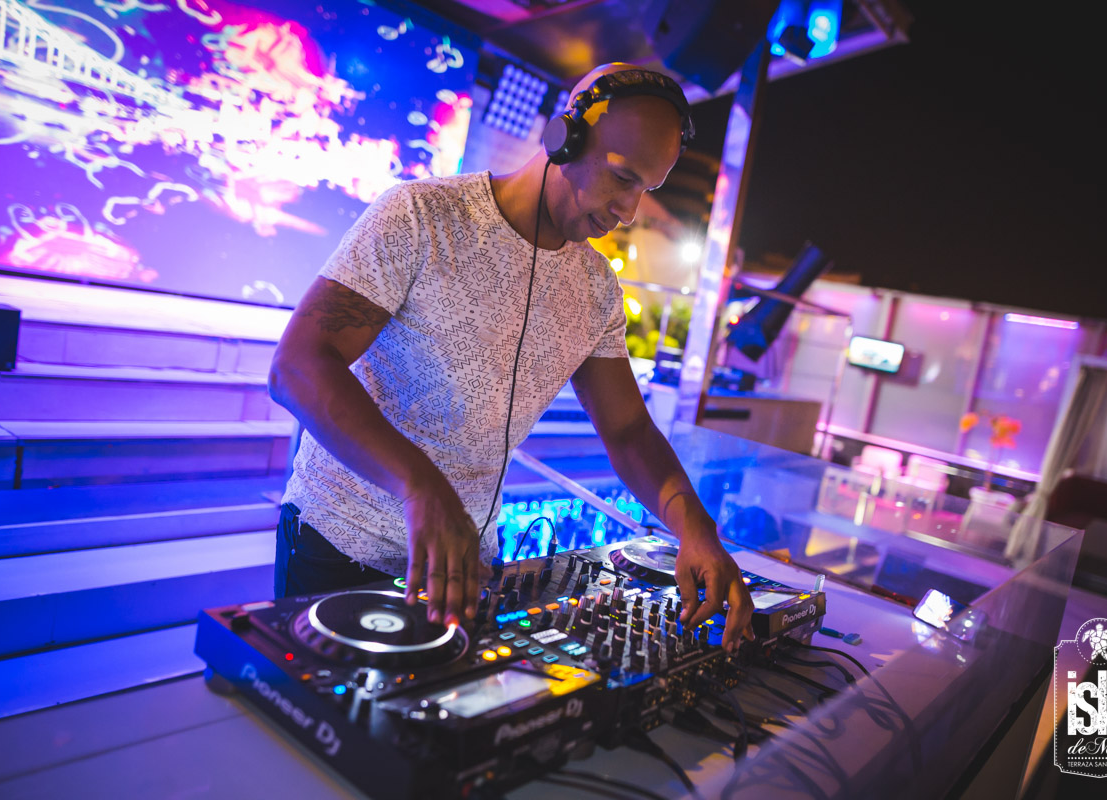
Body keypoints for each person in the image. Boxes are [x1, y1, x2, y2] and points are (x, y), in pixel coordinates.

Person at [268, 62, 756, 653]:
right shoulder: (422, 216)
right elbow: (298, 365)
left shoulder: (596, 289)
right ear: (565, 137)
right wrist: (421, 486)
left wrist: (695, 527)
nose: (628, 210)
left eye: (645, 191)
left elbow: (629, 430)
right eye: (622, 178)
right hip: (338, 546)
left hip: (466, 568)